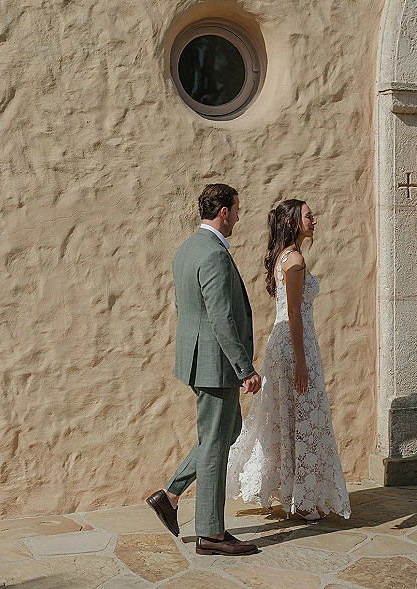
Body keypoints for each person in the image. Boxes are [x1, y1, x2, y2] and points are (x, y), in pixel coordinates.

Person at [147, 183, 262, 556]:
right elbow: (221, 318)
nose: (239, 217)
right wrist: (244, 368)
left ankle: (170, 494)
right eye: (237, 210)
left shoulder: (186, 249)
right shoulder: (212, 253)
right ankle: (211, 534)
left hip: (201, 360)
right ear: (223, 212)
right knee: (216, 441)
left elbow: (185, 309)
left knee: (227, 430)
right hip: (217, 364)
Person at [226, 199, 351, 521]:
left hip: (288, 343)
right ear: (293, 221)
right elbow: (294, 312)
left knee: (288, 418)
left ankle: (294, 492)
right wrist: (301, 362)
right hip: (295, 346)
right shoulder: (294, 259)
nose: (315, 220)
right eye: (309, 216)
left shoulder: (285, 256)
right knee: (303, 419)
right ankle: (302, 500)